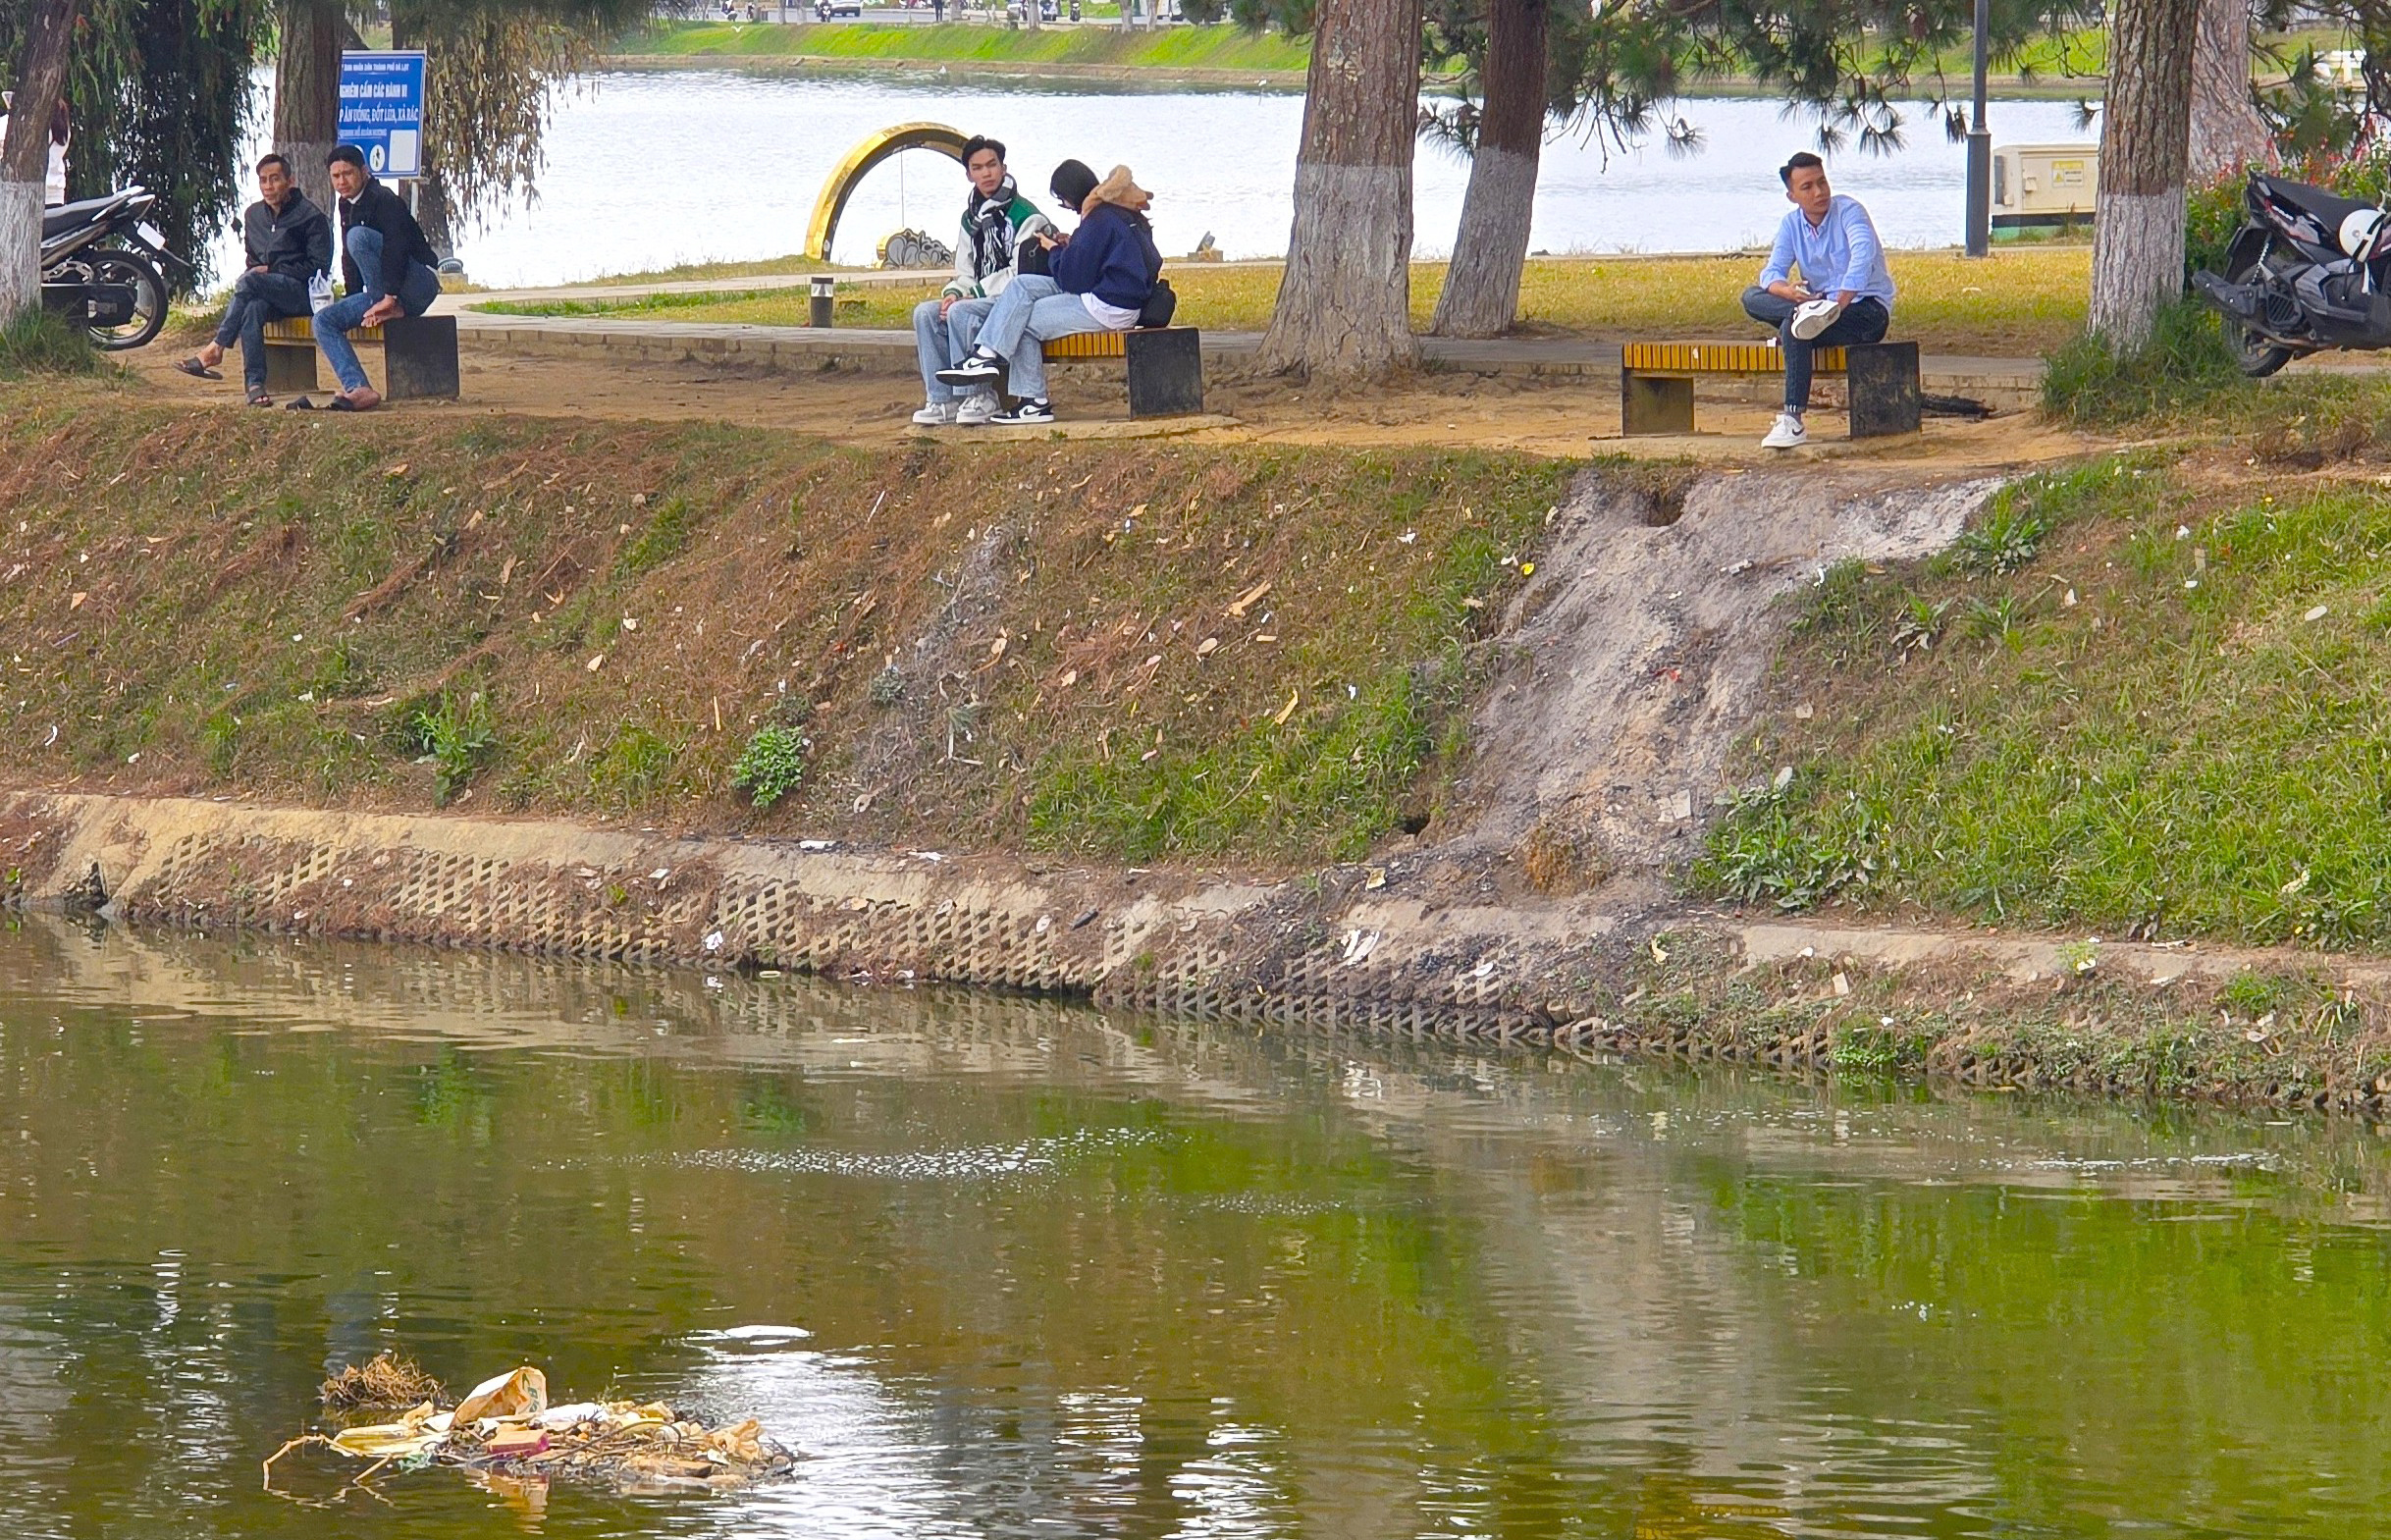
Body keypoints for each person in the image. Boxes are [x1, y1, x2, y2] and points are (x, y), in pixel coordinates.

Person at [937, 159, 1161, 425]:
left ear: (1070, 194)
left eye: (1062, 200)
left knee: (1022, 322)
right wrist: (1070, 246)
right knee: (1023, 285)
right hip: (1115, 296)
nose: (1064, 206)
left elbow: (1072, 278)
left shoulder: (1098, 219)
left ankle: (1033, 402)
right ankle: (984, 355)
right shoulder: (1120, 212)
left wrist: (1053, 250)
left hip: (1107, 305)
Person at [1740, 151, 1895, 451]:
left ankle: (1793, 419)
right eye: (1808, 187)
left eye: (1822, 182)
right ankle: (1803, 316)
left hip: (1864, 311)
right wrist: (1785, 291)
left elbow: (1863, 254)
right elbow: (1771, 271)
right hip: (1816, 309)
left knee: (1795, 327)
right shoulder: (1791, 225)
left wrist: (1840, 300)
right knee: (1752, 298)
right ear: (1792, 195)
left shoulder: (1849, 211)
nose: (1819, 192)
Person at [911, 134, 1055, 426]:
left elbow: (1020, 274)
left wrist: (972, 295)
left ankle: (979, 395)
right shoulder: (969, 219)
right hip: (978, 296)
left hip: (1012, 299)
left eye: (992, 165)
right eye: (977, 168)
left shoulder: (1027, 216)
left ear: (1003, 168)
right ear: (969, 174)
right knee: (926, 313)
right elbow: (964, 270)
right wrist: (954, 292)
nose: (986, 173)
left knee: (962, 312)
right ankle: (941, 399)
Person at [174, 154, 332, 407]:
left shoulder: (310, 216)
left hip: (303, 293)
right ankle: (255, 385)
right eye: (263, 181)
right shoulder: (254, 215)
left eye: (275, 179)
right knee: (252, 308)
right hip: (267, 291)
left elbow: (319, 267)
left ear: (290, 180)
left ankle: (216, 348)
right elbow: (252, 260)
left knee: (250, 282)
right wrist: (262, 273)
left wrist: (273, 269)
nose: (268, 186)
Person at [310, 143, 443, 412]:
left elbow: (397, 246)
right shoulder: (345, 203)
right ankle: (358, 388)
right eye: (336, 176)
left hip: (418, 283)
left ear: (364, 171)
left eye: (347, 174)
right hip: (383, 292)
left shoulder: (384, 199)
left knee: (358, 236)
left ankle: (386, 302)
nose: (342, 182)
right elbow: (349, 257)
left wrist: (389, 296)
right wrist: (352, 296)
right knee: (324, 320)